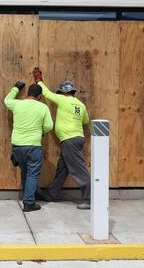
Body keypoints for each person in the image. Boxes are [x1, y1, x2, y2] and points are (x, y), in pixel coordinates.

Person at [32, 67, 91, 210]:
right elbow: (85, 121)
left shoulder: (63, 100)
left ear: (64, 92)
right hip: (75, 139)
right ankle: (52, 193)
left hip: (69, 140)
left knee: (79, 169)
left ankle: (90, 199)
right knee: (62, 168)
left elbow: (45, 92)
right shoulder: (81, 105)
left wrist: (39, 80)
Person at [4, 81, 53, 212]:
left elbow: (7, 100)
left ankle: (27, 196)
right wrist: (41, 131)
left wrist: (15, 88)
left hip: (18, 146)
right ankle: (29, 202)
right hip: (33, 146)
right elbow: (49, 126)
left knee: (25, 172)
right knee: (32, 174)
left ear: (27, 93)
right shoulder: (43, 107)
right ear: (39, 96)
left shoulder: (17, 104)